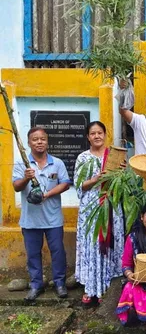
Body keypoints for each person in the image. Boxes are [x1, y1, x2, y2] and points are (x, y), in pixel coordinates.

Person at [12, 127, 72, 301]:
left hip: (53, 218)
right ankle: (36, 285)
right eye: (35, 139)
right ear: (29, 142)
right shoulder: (21, 163)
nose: (39, 142)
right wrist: (25, 177)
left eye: (42, 139)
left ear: (47, 141)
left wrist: (47, 194)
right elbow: (16, 187)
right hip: (30, 219)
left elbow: (65, 184)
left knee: (58, 251)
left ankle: (60, 283)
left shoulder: (57, 163)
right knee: (32, 253)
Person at [74, 121, 125, 307]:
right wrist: (96, 179)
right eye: (93, 133)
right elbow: (80, 185)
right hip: (91, 208)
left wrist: (122, 172)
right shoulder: (83, 158)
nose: (97, 136)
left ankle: (105, 287)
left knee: (109, 244)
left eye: (100, 133)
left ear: (105, 135)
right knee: (92, 245)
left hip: (111, 205)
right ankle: (90, 288)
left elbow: (122, 184)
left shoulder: (113, 155)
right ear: (88, 137)